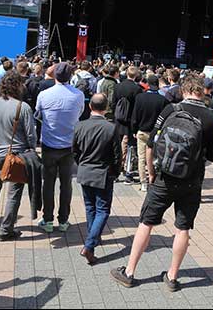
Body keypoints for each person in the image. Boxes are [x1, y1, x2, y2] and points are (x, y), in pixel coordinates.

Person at [110, 74, 213, 292]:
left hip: (164, 177)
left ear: (185, 90)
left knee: (146, 222)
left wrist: (151, 173)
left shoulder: (171, 110)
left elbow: (151, 144)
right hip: (192, 181)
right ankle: (172, 276)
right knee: (183, 228)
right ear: (201, 92)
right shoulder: (210, 117)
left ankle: (130, 272)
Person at [0, 73, 38, 240]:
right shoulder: (23, 107)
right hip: (18, 155)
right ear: (18, 86)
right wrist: (31, 150)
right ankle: (6, 229)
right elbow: (31, 134)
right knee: (14, 192)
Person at [35, 62, 84, 233]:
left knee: (48, 183)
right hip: (68, 145)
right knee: (66, 183)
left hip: (49, 144)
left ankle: (47, 219)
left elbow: (38, 114)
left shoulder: (44, 94)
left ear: (55, 75)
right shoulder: (78, 95)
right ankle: (63, 220)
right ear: (70, 76)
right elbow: (79, 114)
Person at [73, 93, 121, 265]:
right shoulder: (111, 127)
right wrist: (116, 172)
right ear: (106, 108)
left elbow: (75, 151)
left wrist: (81, 164)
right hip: (103, 173)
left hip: (85, 171)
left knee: (90, 206)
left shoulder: (79, 126)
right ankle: (90, 243)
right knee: (103, 209)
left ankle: (92, 239)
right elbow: (117, 155)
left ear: (90, 107)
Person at [131, 74, 168, 192]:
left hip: (142, 131)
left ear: (147, 84)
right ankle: (155, 181)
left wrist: (134, 129)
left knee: (141, 158)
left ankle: (143, 182)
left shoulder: (140, 98)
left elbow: (135, 115)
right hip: (157, 133)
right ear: (157, 85)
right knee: (156, 158)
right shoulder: (163, 100)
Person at [112, 66, 143, 184]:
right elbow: (137, 108)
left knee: (116, 146)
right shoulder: (137, 89)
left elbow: (113, 103)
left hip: (118, 119)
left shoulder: (117, 86)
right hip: (130, 121)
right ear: (136, 76)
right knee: (129, 147)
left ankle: (115, 172)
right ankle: (128, 173)